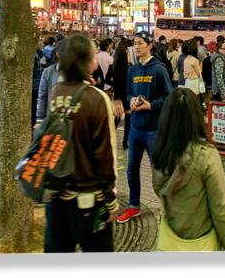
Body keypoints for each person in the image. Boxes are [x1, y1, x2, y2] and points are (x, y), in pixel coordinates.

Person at [43, 34, 118, 253]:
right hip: (89, 200)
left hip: (57, 197)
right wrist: (111, 201)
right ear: (86, 61)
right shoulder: (96, 98)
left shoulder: (56, 92)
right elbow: (105, 155)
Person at [152, 89, 225, 250]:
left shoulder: (160, 151)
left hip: (170, 241)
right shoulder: (206, 155)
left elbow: (158, 189)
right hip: (201, 242)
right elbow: (221, 207)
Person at [117, 31, 173, 224]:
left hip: (154, 130)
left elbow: (169, 96)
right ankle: (134, 206)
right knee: (131, 169)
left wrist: (152, 105)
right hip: (135, 130)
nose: (137, 46)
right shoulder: (132, 70)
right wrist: (131, 100)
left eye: (141, 43)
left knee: (158, 170)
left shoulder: (159, 69)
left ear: (150, 45)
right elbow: (127, 93)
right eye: (135, 43)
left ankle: (168, 208)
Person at [107, 38, 131, 148]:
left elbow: (106, 79)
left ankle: (109, 138)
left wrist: (114, 85)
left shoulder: (113, 66)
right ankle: (125, 142)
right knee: (128, 120)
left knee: (116, 118)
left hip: (117, 95)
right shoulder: (129, 68)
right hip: (127, 95)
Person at [36, 46, 60, 123]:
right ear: (57, 54)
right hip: (51, 119)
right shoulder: (48, 72)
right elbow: (42, 96)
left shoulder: (75, 72)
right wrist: (40, 119)